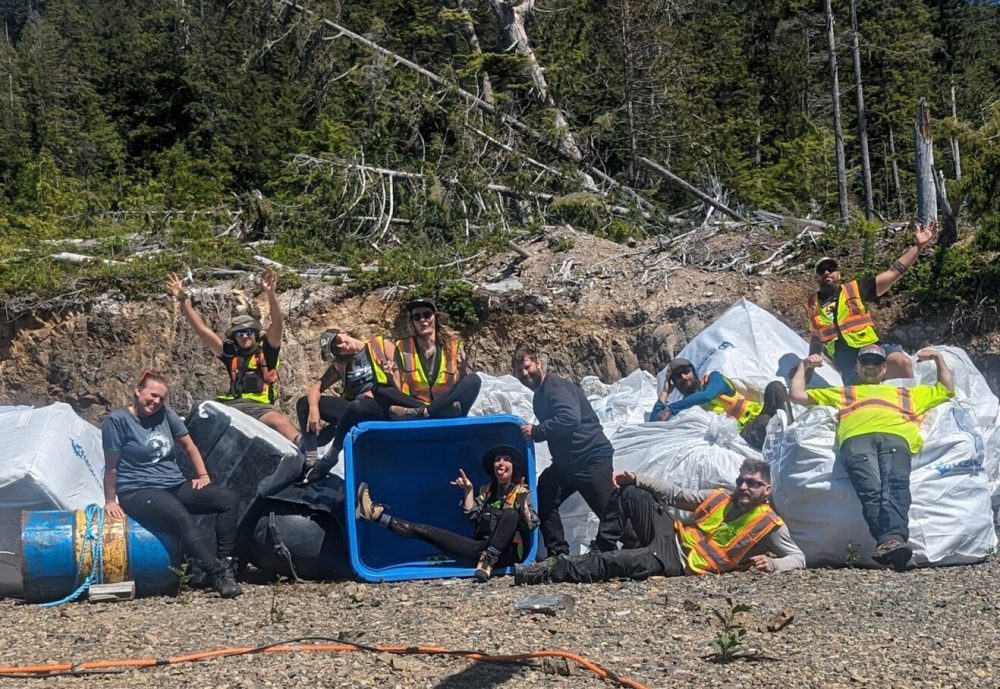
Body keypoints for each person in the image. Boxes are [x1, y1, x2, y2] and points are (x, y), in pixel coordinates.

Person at [790, 344, 954, 570]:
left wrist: (938, 359)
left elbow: (946, 389)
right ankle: (892, 540)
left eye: (875, 363)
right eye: (865, 362)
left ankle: (891, 541)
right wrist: (804, 365)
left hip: (896, 438)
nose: (870, 367)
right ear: (857, 367)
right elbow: (797, 395)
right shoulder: (844, 392)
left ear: (884, 368)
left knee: (896, 485)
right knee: (871, 488)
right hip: (856, 440)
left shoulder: (907, 393)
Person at [514, 458, 804, 584]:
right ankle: (601, 545)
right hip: (672, 533)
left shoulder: (769, 524)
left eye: (752, 484)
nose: (743, 487)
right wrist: (637, 478)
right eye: (741, 481)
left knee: (613, 563)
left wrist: (774, 564)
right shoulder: (721, 496)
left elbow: (798, 557)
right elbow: (676, 495)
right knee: (631, 493)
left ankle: (545, 572)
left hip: (679, 561)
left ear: (767, 490)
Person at [102, 369, 242, 598]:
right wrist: (110, 500)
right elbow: (111, 466)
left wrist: (203, 475)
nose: (156, 401)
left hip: (173, 484)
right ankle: (218, 575)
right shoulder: (117, 421)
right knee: (180, 517)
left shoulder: (165, 413)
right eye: (153, 395)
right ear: (138, 392)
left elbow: (189, 446)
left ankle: (226, 563)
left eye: (161, 398)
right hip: (137, 490)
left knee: (228, 499)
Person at [354, 445, 539, 581]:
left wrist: (522, 503)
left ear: (514, 465)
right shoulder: (487, 490)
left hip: (506, 555)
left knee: (510, 514)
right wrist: (468, 491)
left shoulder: (521, 491)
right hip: (479, 549)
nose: (501, 463)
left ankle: (488, 560)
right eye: (498, 459)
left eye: (506, 459)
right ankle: (375, 514)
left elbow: (531, 524)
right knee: (426, 531)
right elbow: (470, 516)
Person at [166, 268, 301, 444]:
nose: (245, 336)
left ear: (254, 333)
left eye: (249, 332)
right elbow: (202, 330)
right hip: (234, 406)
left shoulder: (267, 352)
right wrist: (183, 299)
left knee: (280, 421)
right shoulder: (230, 354)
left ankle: (305, 449)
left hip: (260, 407)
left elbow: (277, 324)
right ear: (234, 337)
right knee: (202, 413)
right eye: (240, 333)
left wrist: (271, 294)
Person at [513, 345, 622, 557]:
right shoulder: (538, 397)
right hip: (567, 464)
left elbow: (570, 419)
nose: (525, 373)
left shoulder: (555, 387)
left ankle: (637, 548)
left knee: (609, 510)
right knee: (544, 493)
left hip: (591, 457)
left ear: (538, 363)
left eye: (527, 367)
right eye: (520, 371)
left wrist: (537, 431)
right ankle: (558, 554)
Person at [806, 220, 939, 383]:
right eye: (822, 270)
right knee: (860, 394)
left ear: (839, 274)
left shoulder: (856, 289)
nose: (827, 272)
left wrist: (918, 247)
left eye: (831, 269)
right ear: (817, 277)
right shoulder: (813, 304)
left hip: (871, 349)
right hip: (847, 361)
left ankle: (908, 403)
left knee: (901, 362)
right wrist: (808, 369)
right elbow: (815, 338)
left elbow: (894, 272)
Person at [297, 329, 398, 483]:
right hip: (354, 408)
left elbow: (404, 379)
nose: (341, 346)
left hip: (381, 404)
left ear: (344, 332)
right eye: (336, 349)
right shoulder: (343, 362)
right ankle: (311, 459)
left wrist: (384, 385)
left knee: (357, 406)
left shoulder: (380, 346)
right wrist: (314, 409)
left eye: (338, 340)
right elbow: (317, 386)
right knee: (304, 403)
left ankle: (332, 455)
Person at [649, 358, 793, 450]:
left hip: (760, 413)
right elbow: (655, 421)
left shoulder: (713, 379)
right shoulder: (686, 409)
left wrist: (672, 407)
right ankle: (788, 442)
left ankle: (792, 434)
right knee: (765, 422)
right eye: (677, 377)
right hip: (744, 431)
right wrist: (665, 392)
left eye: (686, 371)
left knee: (775, 387)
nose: (683, 377)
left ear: (693, 371)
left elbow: (707, 395)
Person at [385, 297, 481, 420]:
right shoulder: (403, 347)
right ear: (412, 322)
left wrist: (462, 369)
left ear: (435, 317)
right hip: (416, 403)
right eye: (417, 317)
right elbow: (397, 388)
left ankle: (427, 413)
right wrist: (390, 376)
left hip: (447, 403)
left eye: (427, 315)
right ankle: (429, 411)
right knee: (379, 389)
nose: (422, 320)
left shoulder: (454, 345)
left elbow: (460, 385)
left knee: (474, 380)